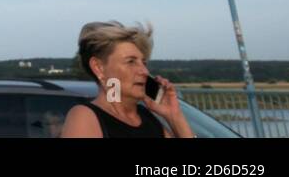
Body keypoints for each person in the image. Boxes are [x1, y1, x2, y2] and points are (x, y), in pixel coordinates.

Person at [60, 20, 194, 138]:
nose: (144, 71)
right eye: (131, 62)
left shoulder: (147, 119)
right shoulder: (86, 117)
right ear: (98, 68)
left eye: (144, 62)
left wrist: (173, 115)